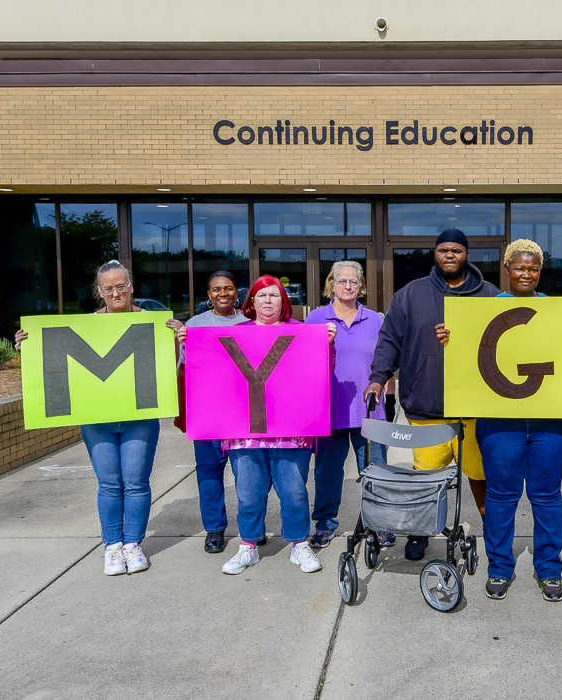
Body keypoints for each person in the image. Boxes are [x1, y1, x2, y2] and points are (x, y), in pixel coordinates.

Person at [14, 260, 176, 576]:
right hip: (97, 419)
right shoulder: (86, 324)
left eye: (121, 286)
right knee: (110, 485)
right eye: (108, 288)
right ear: (99, 292)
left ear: (131, 287)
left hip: (140, 417)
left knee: (136, 483)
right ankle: (112, 547)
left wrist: (177, 340)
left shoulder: (155, 323)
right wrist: (28, 348)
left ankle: (133, 545)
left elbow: (169, 368)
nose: (116, 292)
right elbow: (58, 366)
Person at [439, 239, 562, 602]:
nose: (526, 273)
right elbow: (469, 359)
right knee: (501, 496)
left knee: (547, 496)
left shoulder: (560, 310)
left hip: (550, 421)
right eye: (520, 267)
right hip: (500, 420)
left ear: (540, 271)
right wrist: (451, 340)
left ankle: (549, 569)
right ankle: (499, 566)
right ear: (507, 269)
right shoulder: (482, 310)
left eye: (533, 268)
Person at [178, 275, 337, 575]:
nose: (267, 301)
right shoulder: (238, 333)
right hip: (244, 433)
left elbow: (322, 375)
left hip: (291, 433)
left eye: (274, 296)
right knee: (248, 493)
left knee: (293, 492)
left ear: (283, 302)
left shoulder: (302, 332)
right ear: (251, 302)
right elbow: (211, 376)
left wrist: (327, 345)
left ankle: (299, 544)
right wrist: (190, 347)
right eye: (261, 295)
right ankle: (248, 546)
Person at [364, 227, 499, 561]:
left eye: (456, 250)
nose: (449, 255)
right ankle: (419, 532)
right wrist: (378, 379)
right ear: (435, 254)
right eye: (443, 250)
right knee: (425, 479)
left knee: (482, 476)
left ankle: (493, 530)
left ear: (467, 255)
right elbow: (389, 341)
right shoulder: (411, 294)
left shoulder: (490, 295)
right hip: (426, 406)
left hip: (476, 408)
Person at [305, 261, 392, 551]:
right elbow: (299, 362)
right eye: (341, 282)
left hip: (370, 411)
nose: (347, 287)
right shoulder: (316, 318)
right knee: (328, 474)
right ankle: (325, 524)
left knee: (376, 471)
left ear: (361, 286)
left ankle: (379, 525)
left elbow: (386, 359)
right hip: (329, 412)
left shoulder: (375, 319)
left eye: (353, 282)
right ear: (331, 285)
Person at [178, 271, 247, 554]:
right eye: (216, 289)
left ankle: (249, 528)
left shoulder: (249, 322)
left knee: (247, 473)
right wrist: (183, 344)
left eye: (228, 289)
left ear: (236, 293)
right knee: (209, 473)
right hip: (206, 409)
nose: (222, 293)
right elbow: (185, 365)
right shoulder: (195, 324)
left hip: (242, 410)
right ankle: (214, 529)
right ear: (208, 295)